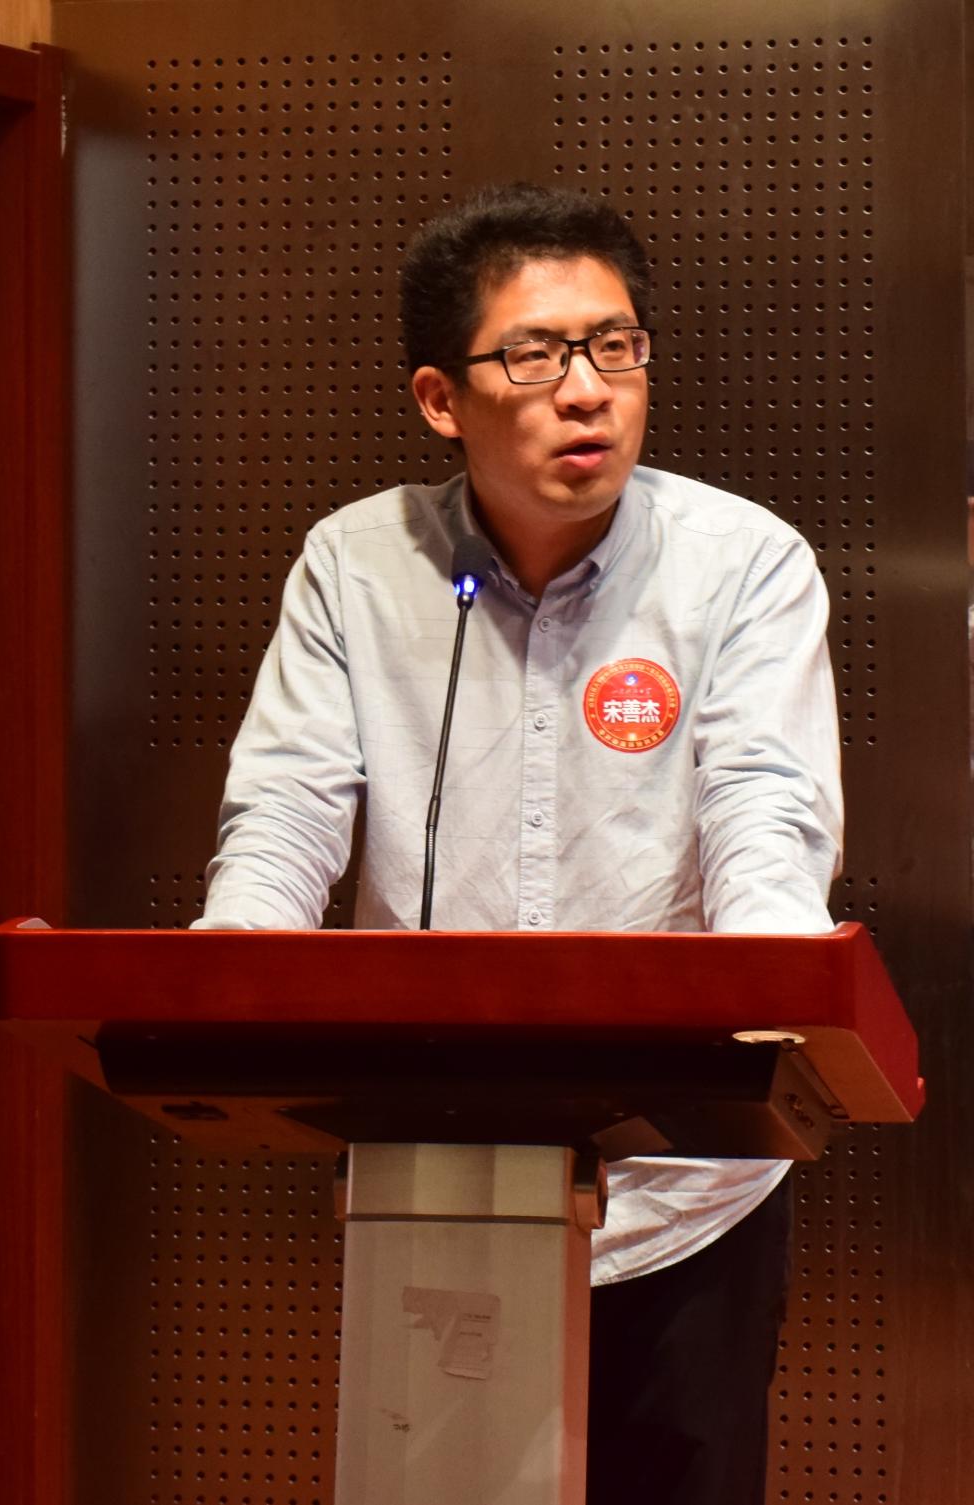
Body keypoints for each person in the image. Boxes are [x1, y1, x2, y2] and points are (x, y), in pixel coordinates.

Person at [194, 182, 843, 1504]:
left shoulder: (742, 565)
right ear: (443, 398)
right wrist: (221, 983)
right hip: (437, 1174)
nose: (588, 390)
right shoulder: (356, 567)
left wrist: (776, 995)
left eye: (616, 347)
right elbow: (286, 818)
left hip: (684, 1185)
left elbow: (766, 821)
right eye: (537, 355)